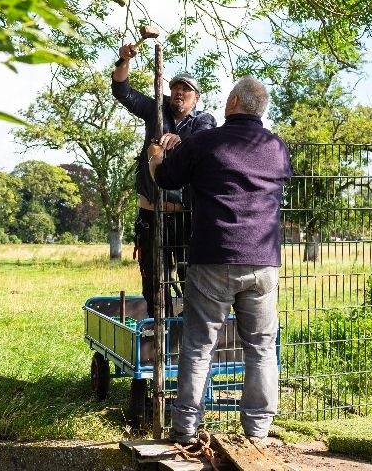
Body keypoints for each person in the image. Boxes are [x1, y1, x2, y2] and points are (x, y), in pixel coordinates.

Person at [147, 75, 292, 443]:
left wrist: (156, 157)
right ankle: (258, 431)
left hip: (213, 256)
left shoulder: (205, 143)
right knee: (260, 347)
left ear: (232, 104)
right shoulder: (277, 148)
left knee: (199, 345)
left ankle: (185, 429)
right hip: (262, 261)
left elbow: (165, 178)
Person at [112, 42, 217, 318]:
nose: (179, 92)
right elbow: (122, 92)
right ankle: (161, 327)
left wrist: (182, 141)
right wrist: (123, 61)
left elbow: (206, 142)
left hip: (183, 217)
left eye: (186, 89)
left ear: (196, 98)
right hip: (150, 213)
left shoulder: (203, 121)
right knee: (154, 279)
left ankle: (188, 332)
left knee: (188, 275)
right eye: (175, 87)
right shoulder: (155, 111)